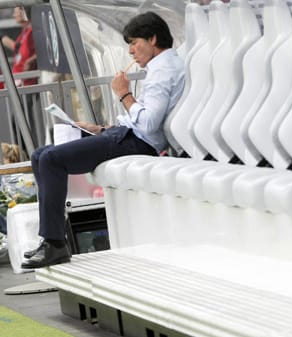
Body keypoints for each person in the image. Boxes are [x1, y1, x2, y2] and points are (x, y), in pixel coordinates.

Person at [21, 11, 185, 269]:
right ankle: (53, 236)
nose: (131, 51)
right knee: (40, 155)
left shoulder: (163, 70)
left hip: (139, 143)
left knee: (52, 159)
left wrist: (123, 94)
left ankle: (55, 243)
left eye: (134, 42)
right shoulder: (161, 66)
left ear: (153, 39)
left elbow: (149, 124)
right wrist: (101, 128)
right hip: (127, 135)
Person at [1, 6, 37, 88]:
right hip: (19, 81)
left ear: (23, 13)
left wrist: (29, 61)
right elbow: (17, 48)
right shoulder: (24, 33)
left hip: (27, 83)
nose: (14, 15)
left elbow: (42, 51)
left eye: (15, 12)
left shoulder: (31, 32)